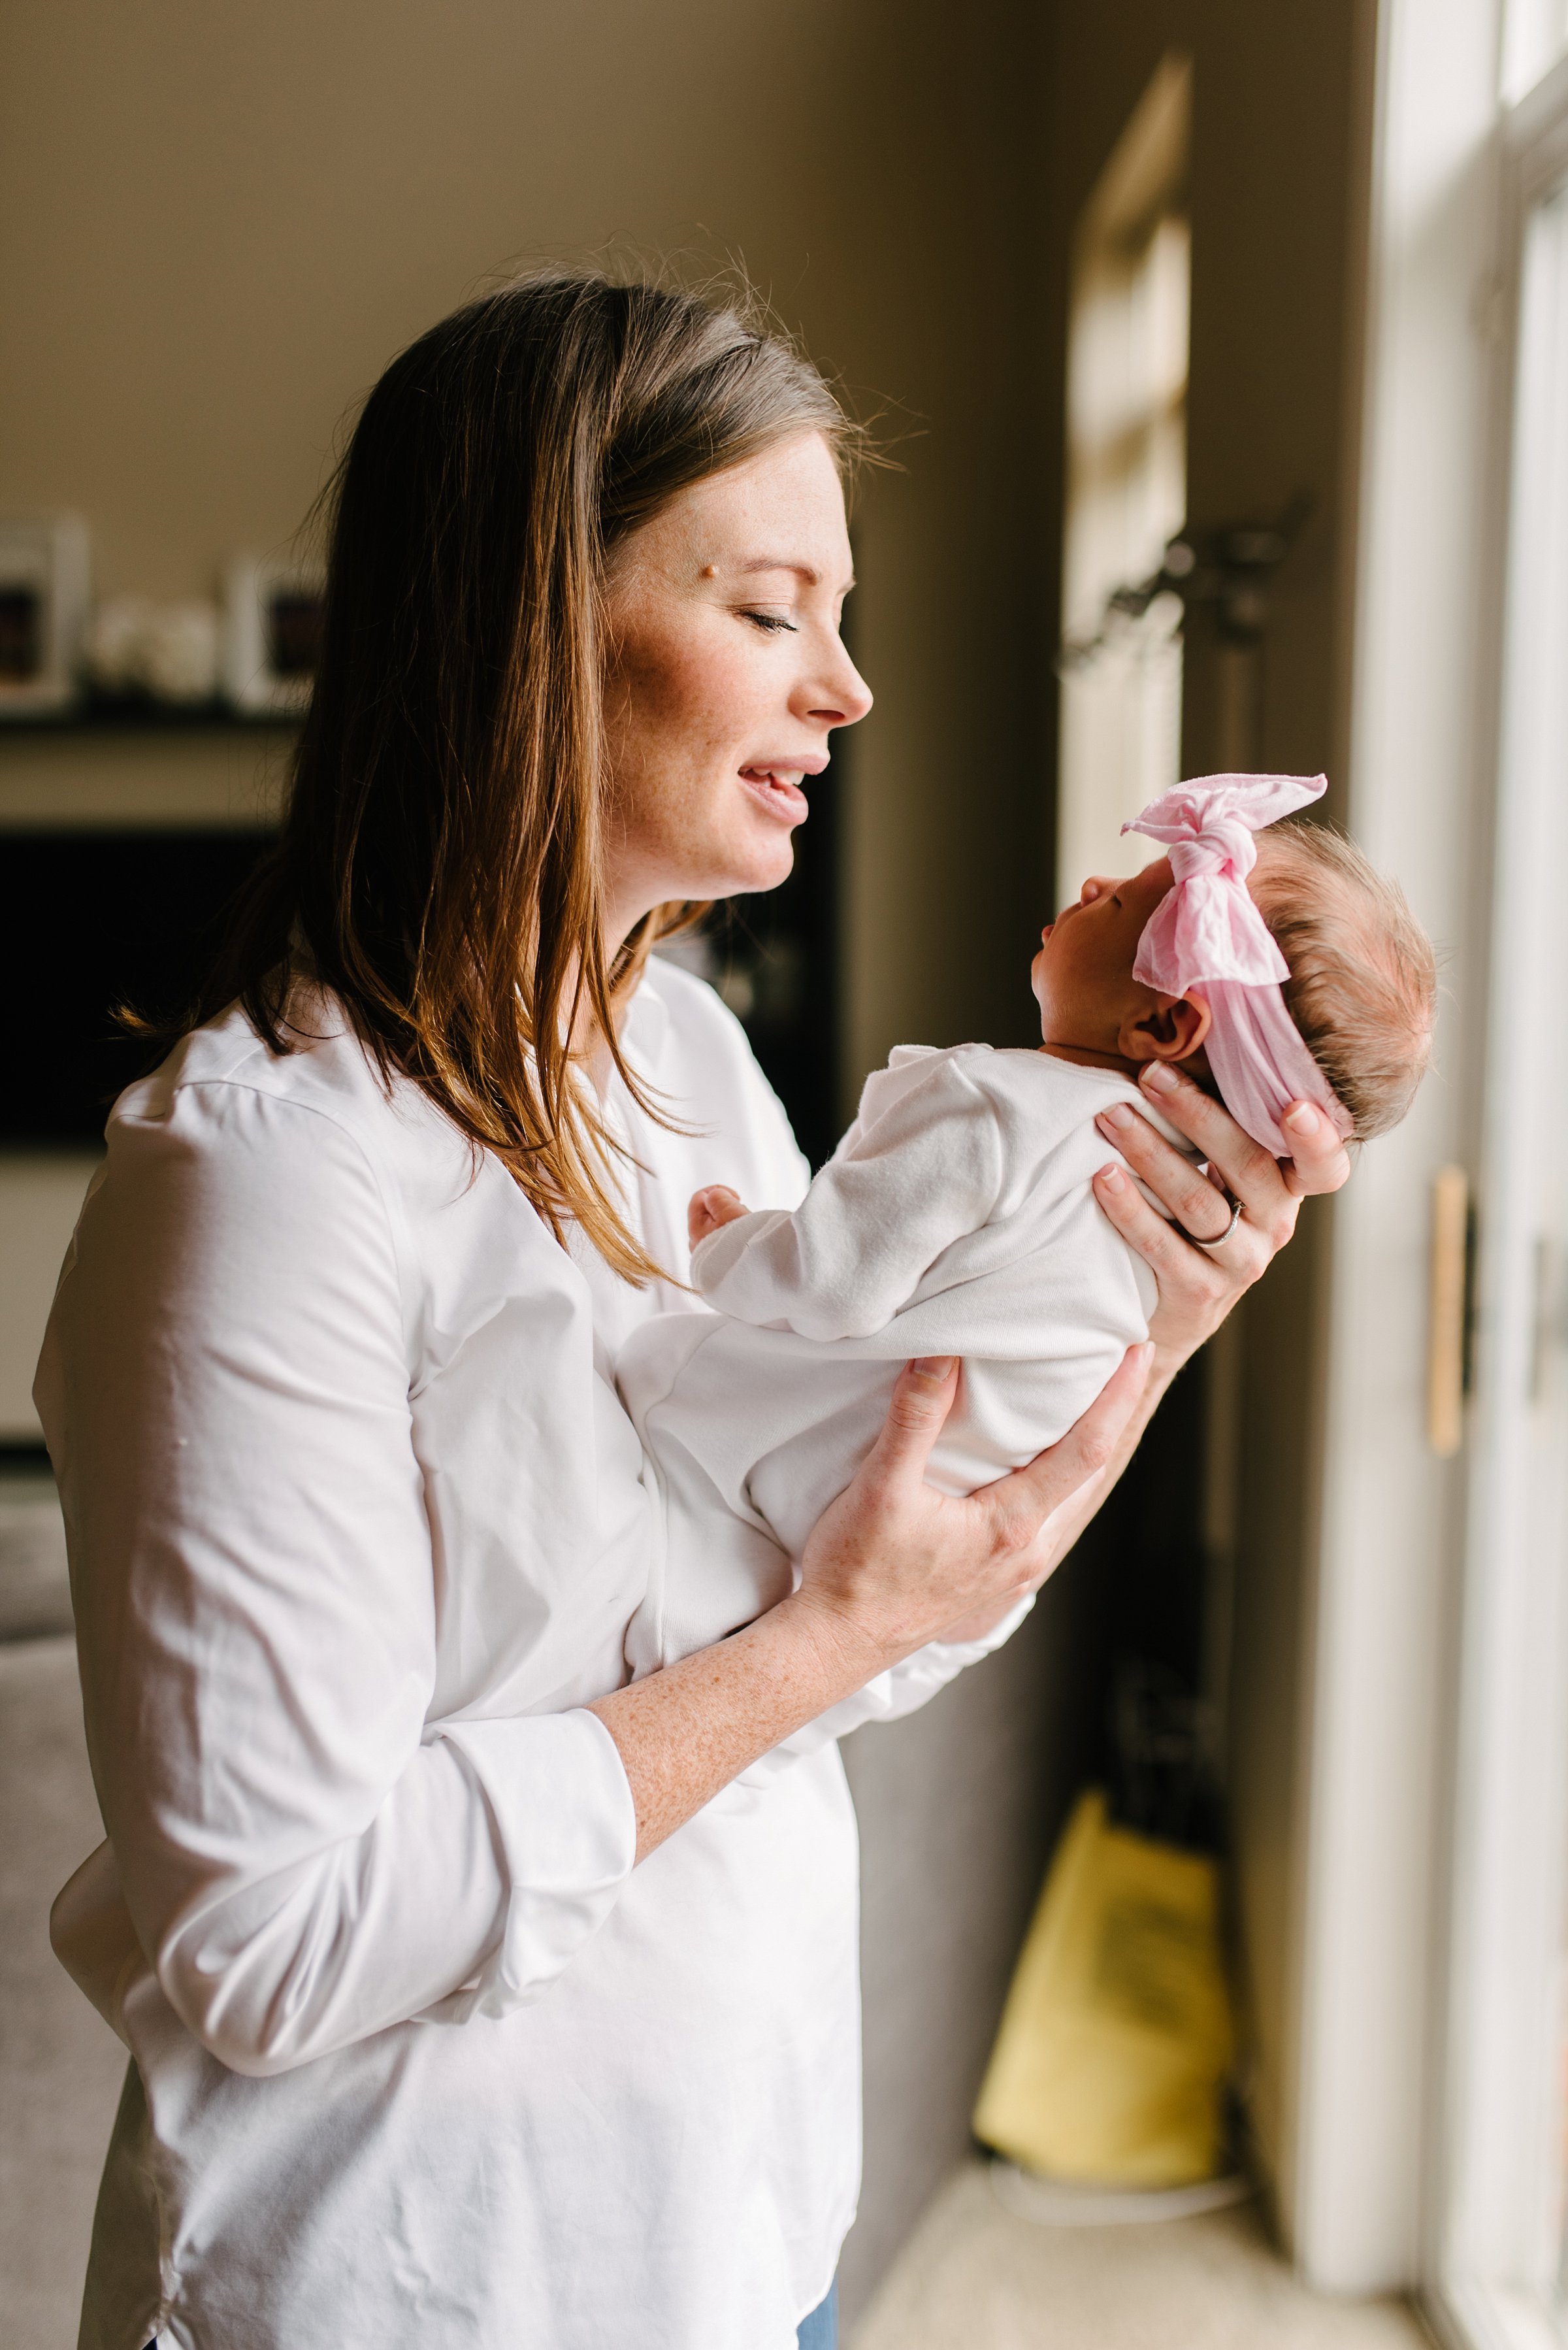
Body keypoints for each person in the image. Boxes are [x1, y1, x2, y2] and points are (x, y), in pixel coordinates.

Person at [35, 269, 1350, 2350]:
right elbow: (274, 1939)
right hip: (424, 2284)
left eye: (842, 617)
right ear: (527, 627)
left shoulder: (686, 1059)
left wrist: (1137, 1323)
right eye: (769, 608)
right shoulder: (266, 1181)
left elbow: (852, 1632)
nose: (848, 690)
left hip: (742, 2236)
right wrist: (827, 1630)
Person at [617, 772, 1434, 1690]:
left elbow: (827, 1281)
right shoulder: (1169, 1227)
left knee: (641, 1377)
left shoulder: (990, 1105)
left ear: (1165, 1021)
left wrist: (729, 1242)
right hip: (857, 1544)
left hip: (724, 1450)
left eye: (1124, 900)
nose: (1091, 888)